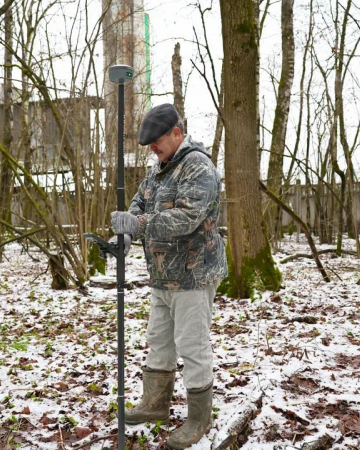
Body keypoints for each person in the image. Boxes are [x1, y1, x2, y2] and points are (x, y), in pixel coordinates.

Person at [110, 103, 227, 449]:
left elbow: (186, 218)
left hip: (193, 274)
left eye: (157, 141)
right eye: (149, 144)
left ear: (177, 133)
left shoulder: (198, 167)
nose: (152, 148)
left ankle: (198, 419)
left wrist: (139, 225)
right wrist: (128, 226)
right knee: (159, 339)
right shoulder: (159, 169)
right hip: (162, 274)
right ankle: (155, 404)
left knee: (192, 344)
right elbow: (140, 201)